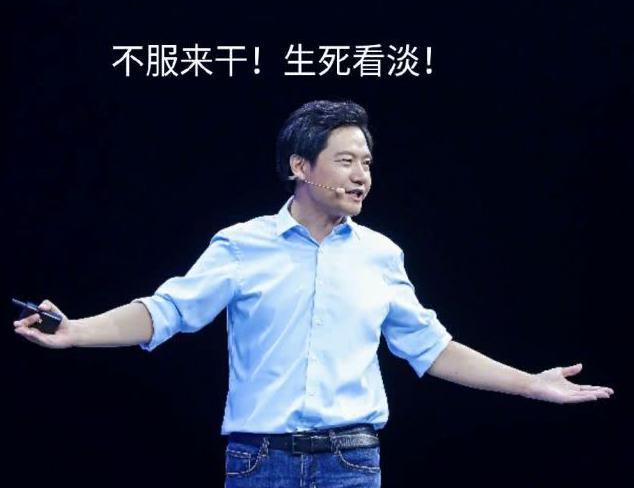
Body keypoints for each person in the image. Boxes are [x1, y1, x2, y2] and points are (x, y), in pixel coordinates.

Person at [14, 100, 614, 487]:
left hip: (352, 459)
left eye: (367, 163)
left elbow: (433, 348)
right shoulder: (242, 244)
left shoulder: (380, 255)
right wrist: (77, 331)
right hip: (259, 460)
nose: (361, 176)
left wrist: (530, 383)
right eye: (346, 161)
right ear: (301, 167)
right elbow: (167, 311)